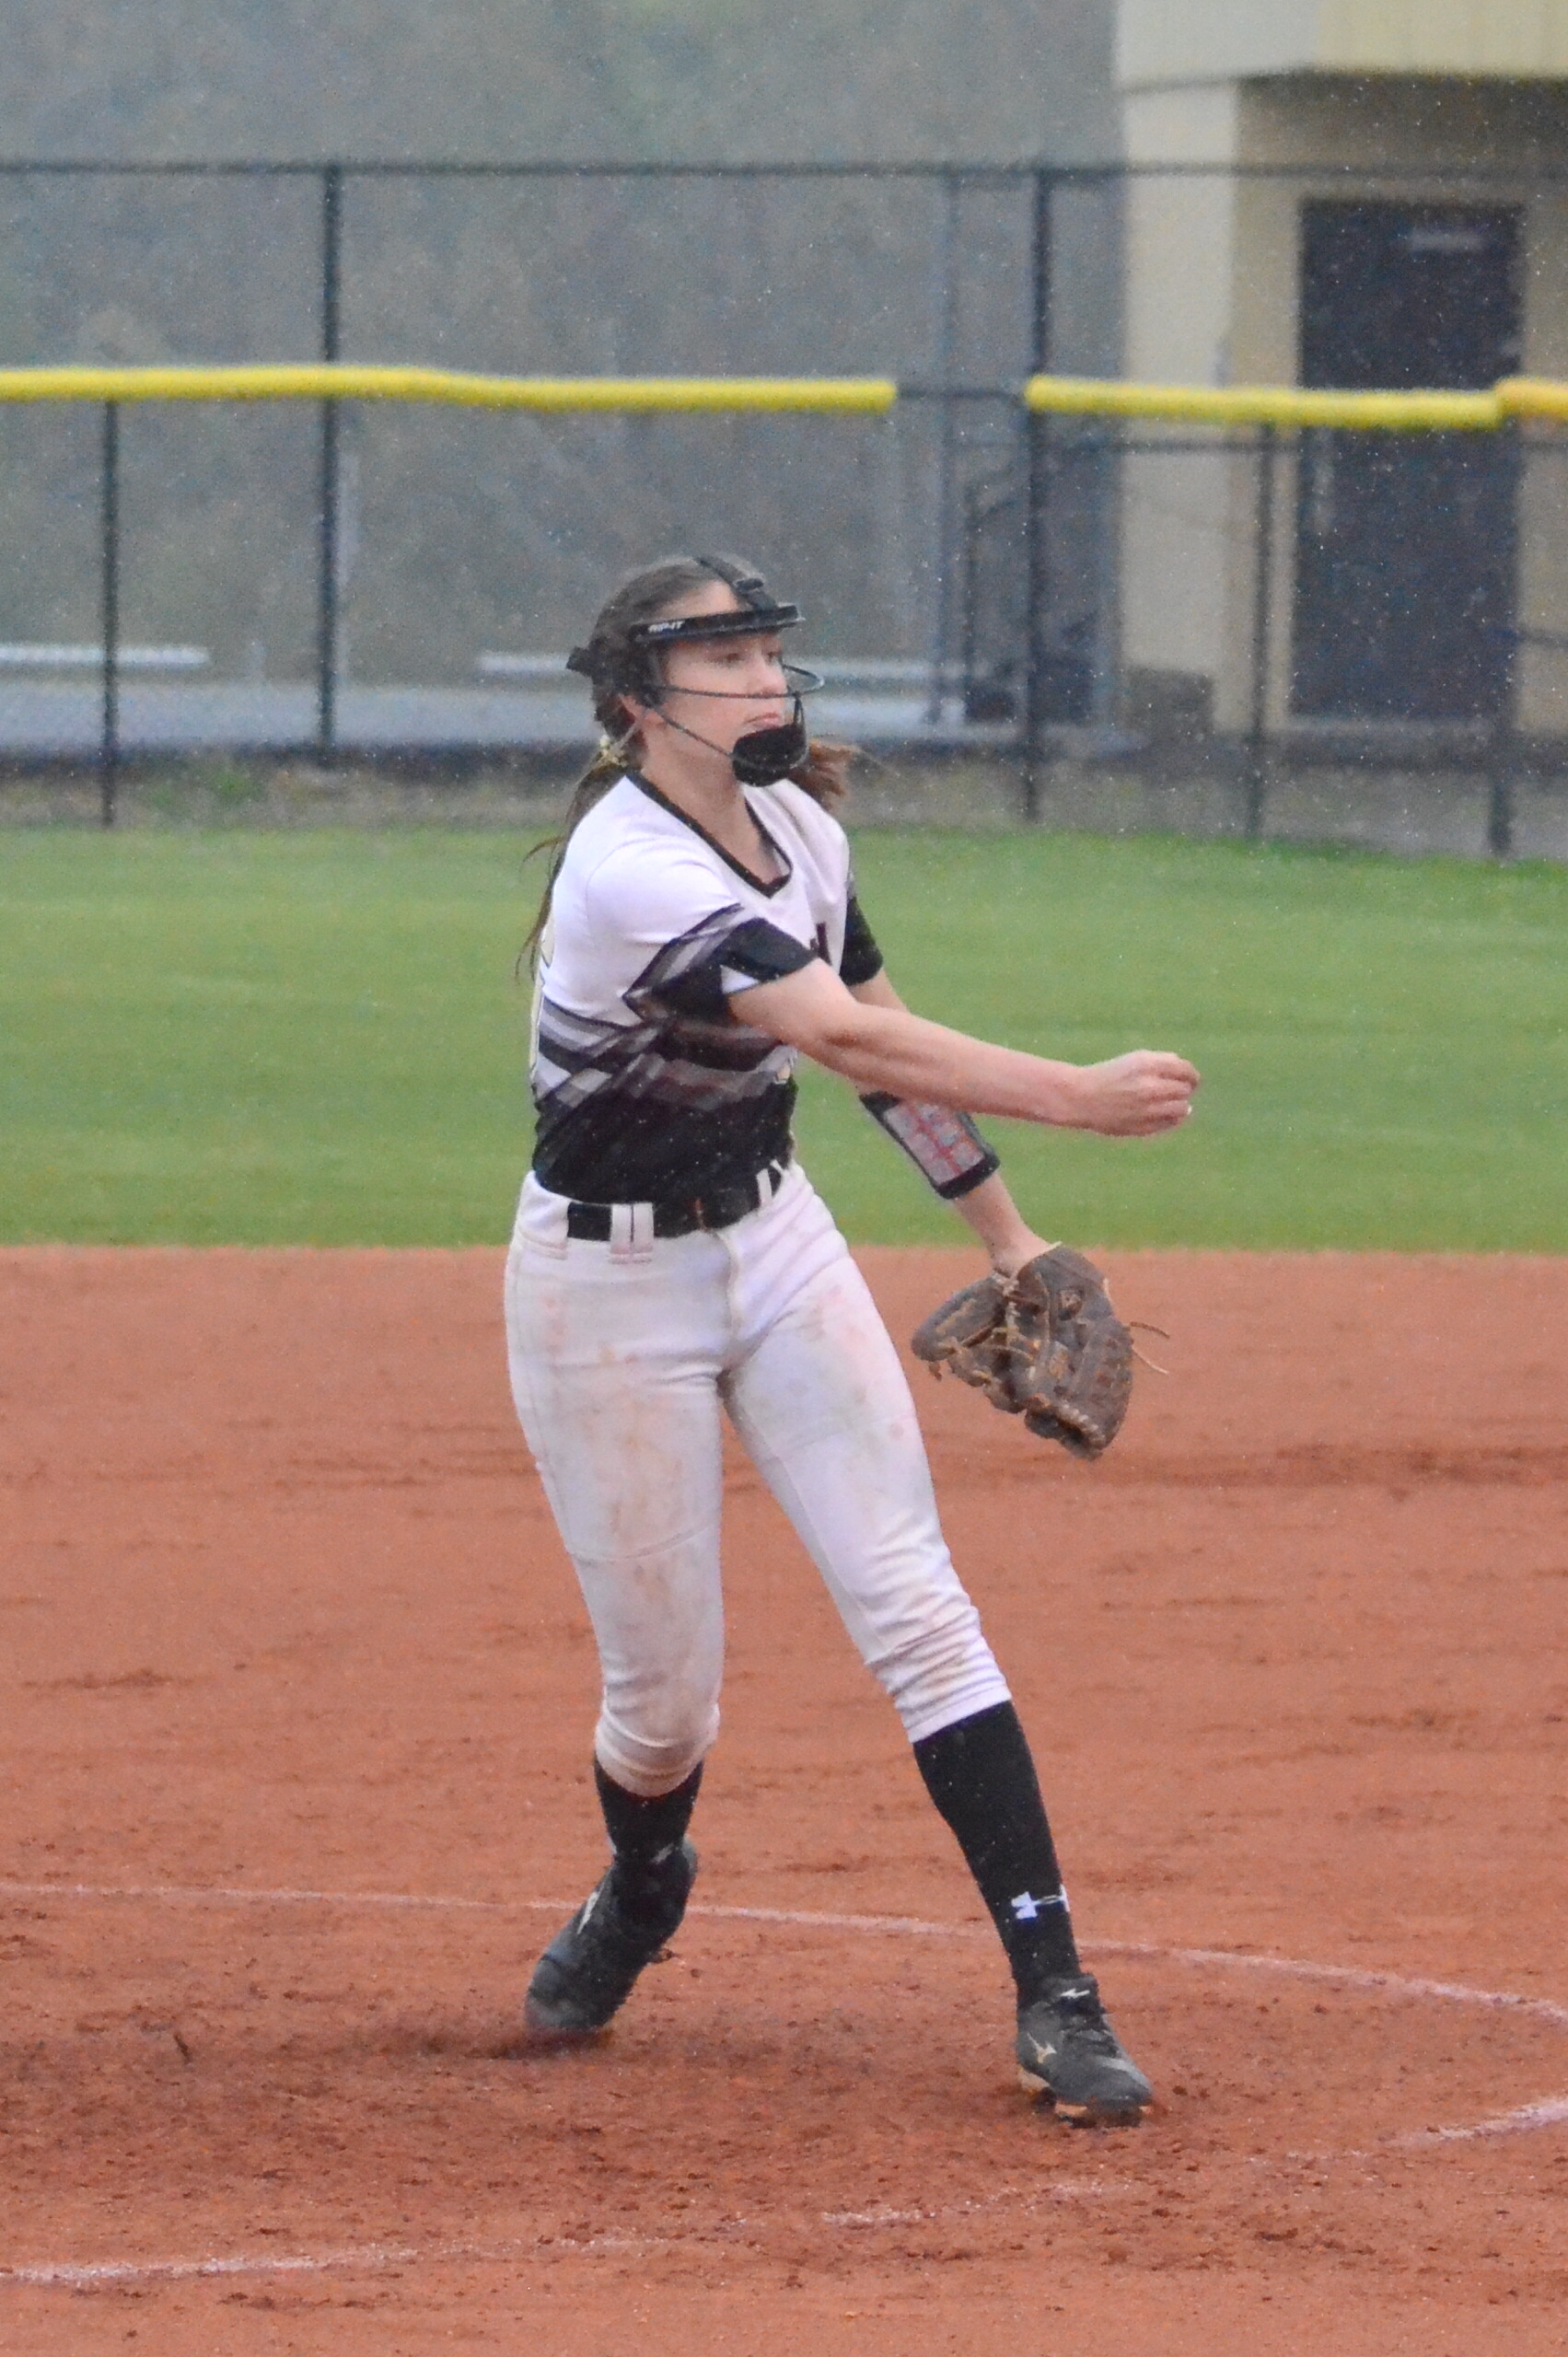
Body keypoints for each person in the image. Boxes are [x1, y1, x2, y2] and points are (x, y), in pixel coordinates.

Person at [506, 553, 1198, 2123]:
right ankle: (644, 1881)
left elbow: (882, 1055)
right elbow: (833, 1030)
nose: (765, 679)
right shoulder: (630, 868)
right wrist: (1077, 1095)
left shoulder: (806, 835)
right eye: (725, 658)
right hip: (604, 1292)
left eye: (768, 651)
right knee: (664, 1711)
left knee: (920, 1608)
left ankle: (1058, 1996)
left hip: (774, 1242)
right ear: (638, 701)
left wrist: (1007, 1231)